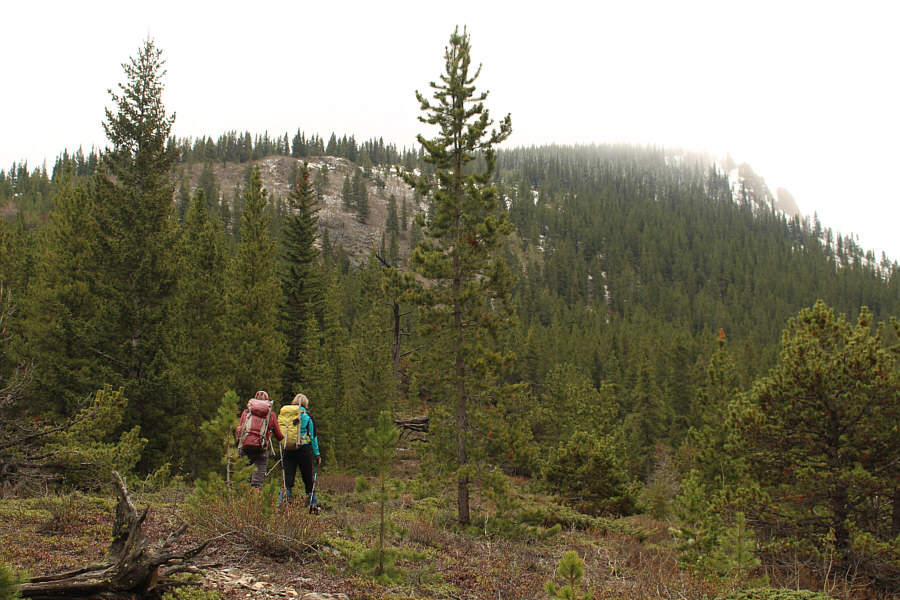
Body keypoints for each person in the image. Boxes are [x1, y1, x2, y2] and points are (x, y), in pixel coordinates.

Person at [277, 393, 321, 508]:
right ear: (305, 403)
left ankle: (283, 504)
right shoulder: (307, 416)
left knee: (288, 479)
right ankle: (312, 504)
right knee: (307, 477)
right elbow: (313, 436)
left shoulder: (286, 415)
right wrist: (317, 455)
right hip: (303, 449)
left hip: (288, 448)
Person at [235, 390, 283, 490]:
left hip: (245, 448)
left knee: (243, 481)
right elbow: (279, 435)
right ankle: (255, 504)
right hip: (261, 448)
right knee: (257, 483)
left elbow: (239, 430)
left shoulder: (246, 412)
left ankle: (240, 504)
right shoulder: (270, 414)